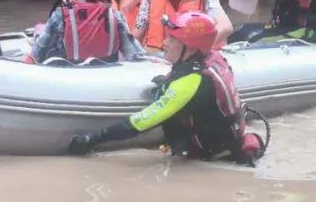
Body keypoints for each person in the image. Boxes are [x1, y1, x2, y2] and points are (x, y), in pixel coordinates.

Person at [68, 11, 264, 164]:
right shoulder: (212, 58)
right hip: (226, 140)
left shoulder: (191, 82)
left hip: (209, 156)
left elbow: (140, 122)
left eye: (172, 39)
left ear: (192, 47)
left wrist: (93, 138)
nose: (164, 43)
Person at [27, 0, 146, 64]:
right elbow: (134, 54)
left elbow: (37, 53)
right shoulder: (115, 16)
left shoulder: (61, 15)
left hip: (70, 73)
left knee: (42, 34)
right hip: (107, 74)